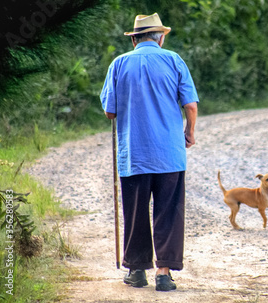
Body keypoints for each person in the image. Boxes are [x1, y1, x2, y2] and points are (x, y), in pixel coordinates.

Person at [100, 13, 199, 292]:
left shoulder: (119, 64)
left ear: (133, 39)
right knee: (168, 213)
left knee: (135, 212)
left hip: (135, 155)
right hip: (169, 154)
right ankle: (164, 274)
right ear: (161, 37)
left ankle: (136, 270)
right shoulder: (174, 60)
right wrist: (190, 132)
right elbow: (190, 106)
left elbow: (110, 111)